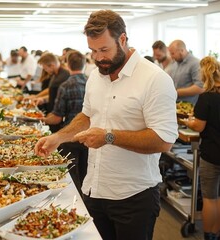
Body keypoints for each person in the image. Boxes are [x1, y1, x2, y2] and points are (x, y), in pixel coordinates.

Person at [34, 10, 178, 240]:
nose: (98, 58)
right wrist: (58, 138)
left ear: (122, 39)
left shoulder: (155, 79)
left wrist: (109, 136)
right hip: (94, 189)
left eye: (104, 50)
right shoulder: (95, 76)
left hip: (133, 197)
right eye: (93, 51)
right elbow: (87, 116)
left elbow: (164, 140)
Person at [42, 50, 88, 195]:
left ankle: (74, 203)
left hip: (70, 136)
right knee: (86, 175)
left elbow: (56, 117)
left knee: (71, 177)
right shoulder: (91, 82)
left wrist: (40, 119)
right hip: (89, 136)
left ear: (67, 64)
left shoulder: (65, 85)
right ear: (84, 64)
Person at [185, 56, 220, 240]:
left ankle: (209, 235)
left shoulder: (206, 98)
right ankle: (216, 232)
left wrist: (188, 121)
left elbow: (199, 126)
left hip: (211, 154)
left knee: (209, 197)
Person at [169, 40, 204, 105]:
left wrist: (175, 92)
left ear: (182, 51)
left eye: (173, 53)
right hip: (174, 105)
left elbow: (200, 87)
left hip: (190, 107)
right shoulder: (174, 64)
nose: (171, 56)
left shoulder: (195, 63)